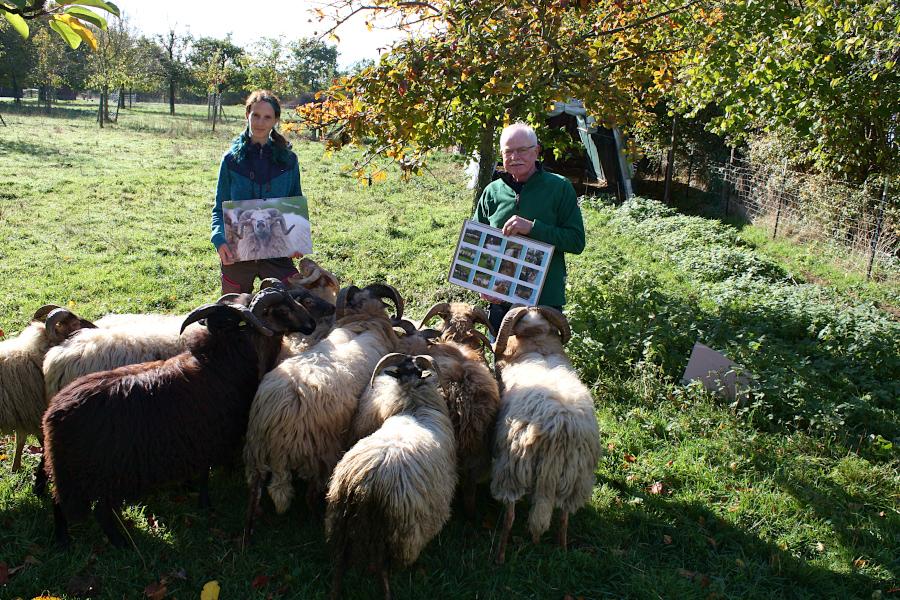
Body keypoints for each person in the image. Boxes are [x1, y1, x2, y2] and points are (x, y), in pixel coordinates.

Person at [473, 122, 586, 332]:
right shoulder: (492, 192)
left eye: (522, 150)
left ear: (536, 151)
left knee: (544, 361)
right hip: (501, 301)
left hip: (544, 302)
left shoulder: (559, 187)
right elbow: (476, 243)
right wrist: (482, 284)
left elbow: (576, 241)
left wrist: (533, 228)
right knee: (503, 361)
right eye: (509, 152)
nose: (515, 157)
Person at [211, 90, 303, 293]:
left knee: (288, 313)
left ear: (275, 120)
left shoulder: (289, 161)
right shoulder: (231, 160)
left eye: (267, 117)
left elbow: (294, 203)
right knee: (232, 314)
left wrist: (296, 238)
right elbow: (219, 207)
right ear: (247, 115)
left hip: (277, 251)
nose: (260, 122)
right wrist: (219, 240)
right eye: (256, 115)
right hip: (239, 249)